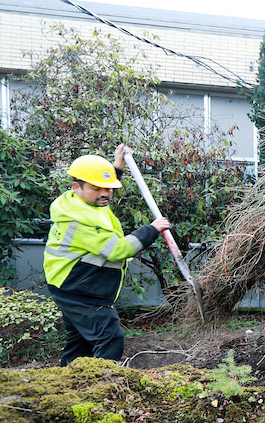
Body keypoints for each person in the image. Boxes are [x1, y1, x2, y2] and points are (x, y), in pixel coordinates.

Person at [43, 144, 170, 366]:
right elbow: (118, 250)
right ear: (77, 187)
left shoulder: (83, 203)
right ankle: (99, 387)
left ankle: (67, 385)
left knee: (81, 343)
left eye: (109, 188)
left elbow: (101, 188)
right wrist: (152, 229)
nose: (106, 194)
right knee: (110, 339)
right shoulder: (78, 221)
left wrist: (116, 167)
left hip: (72, 285)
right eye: (98, 188)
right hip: (79, 291)